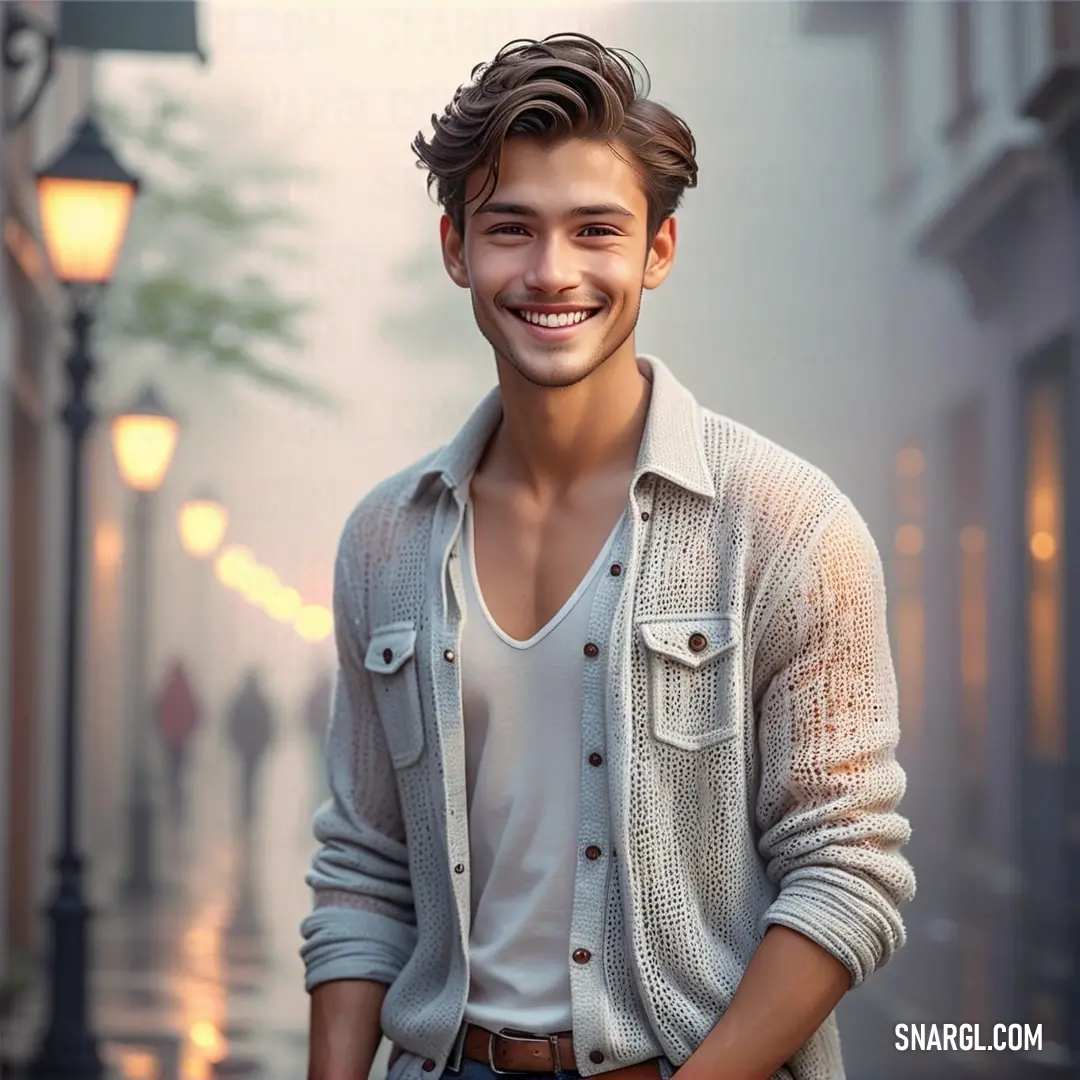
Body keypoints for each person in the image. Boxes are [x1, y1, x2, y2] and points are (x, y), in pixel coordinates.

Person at [302, 33, 915, 1080]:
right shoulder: (383, 540)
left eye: (597, 231)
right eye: (511, 230)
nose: (552, 272)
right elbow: (364, 872)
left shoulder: (788, 527)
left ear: (659, 250)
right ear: (456, 248)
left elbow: (848, 869)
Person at [225, 668, 275, 832]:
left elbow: (231, 723)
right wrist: (265, 744)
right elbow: (269, 724)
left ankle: (246, 809)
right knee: (253, 778)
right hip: (255, 748)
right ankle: (251, 809)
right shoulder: (261, 701)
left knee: (245, 778)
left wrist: (235, 743)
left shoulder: (240, 700)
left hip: (244, 747)